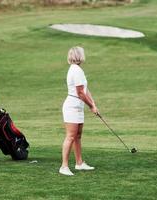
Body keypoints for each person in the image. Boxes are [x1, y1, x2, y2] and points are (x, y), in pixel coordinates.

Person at [59, 46, 99, 176]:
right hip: (72, 107)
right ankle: (64, 166)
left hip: (78, 106)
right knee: (70, 136)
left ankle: (79, 163)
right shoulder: (76, 70)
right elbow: (80, 93)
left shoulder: (78, 70)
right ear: (79, 56)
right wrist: (91, 106)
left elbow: (86, 90)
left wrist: (93, 104)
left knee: (77, 135)